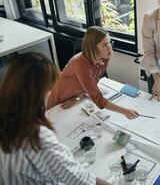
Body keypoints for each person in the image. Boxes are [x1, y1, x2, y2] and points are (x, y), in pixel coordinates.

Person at [0, 52, 110, 185]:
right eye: (49, 89)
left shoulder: (7, 117)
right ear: (38, 94)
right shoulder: (36, 137)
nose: (50, 93)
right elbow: (79, 179)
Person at [47, 26, 138, 119]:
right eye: (104, 45)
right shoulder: (79, 64)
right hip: (61, 95)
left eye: (109, 42)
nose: (109, 48)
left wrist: (78, 97)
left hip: (77, 95)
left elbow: (94, 81)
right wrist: (125, 111)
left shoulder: (104, 58)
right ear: (93, 48)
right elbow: (98, 99)